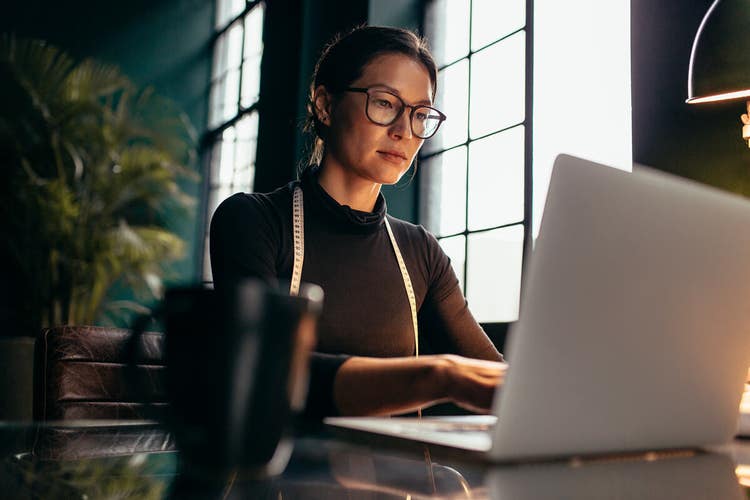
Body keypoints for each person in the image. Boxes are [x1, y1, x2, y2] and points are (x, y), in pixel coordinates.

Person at [210, 25, 507, 418]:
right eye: (385, 103)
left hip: (399, 478)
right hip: (281, 475)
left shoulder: (421, 252)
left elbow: (495, 377)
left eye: (421, 114)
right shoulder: (252, 221)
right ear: (325, 105)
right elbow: (267, 370)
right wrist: (438, 375)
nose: (404, 131)